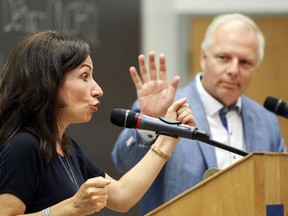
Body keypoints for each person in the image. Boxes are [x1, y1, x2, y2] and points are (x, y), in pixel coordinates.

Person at [0, 30, 196, 215]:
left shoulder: (67, 148)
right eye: (84, 77)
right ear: (50, 82)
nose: (98, 89)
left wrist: (167, 137)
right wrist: (68, 208)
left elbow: (122, 196)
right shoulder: (24, 146)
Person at [111, 13, 286, 215]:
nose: (233, 70)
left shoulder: (266, 121)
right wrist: (152, 121)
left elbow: (279, 186)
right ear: (204, 58)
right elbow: (123, 164)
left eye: (245, 62)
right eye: (224, 57)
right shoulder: (167, 107)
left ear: (256, 68)